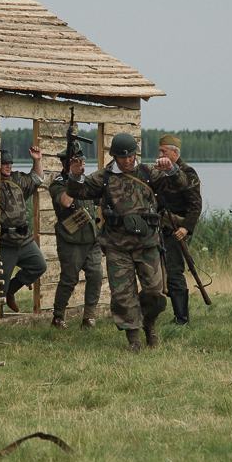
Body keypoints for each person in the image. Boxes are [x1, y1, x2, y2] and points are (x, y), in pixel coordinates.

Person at [66, 132, 188, 352]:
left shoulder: (149, 173)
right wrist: (75, 176)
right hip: (116, 246)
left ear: (135, 154)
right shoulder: (103, 177)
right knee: (123, 294)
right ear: (114, 156)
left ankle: (149, 324)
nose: (126, 160)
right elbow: (78, 192)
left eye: (130, 156)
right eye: (122, 157)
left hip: (148, 243)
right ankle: (134, 340)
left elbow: (180, 186)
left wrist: (171, 169)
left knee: (155, 292)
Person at [48, 143, 103, 329]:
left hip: (91, 237)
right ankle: (58, 316)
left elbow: (99, 198)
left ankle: (89, 316)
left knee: (96, 275)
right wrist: (74, 178)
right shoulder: (57, 183)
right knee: (69, 278)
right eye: (77, 163)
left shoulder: (86, 180)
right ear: (67, 164)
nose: (83, 166)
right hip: (71, 239)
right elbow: (64, 202)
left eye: (82, 163)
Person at [155, 134, 203, 326]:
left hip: (177, 230)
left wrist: (186, 228)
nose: (159, 155)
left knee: (174, 271)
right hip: (160, 228)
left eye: (163, 151)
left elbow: (195, 205)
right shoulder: (160, 171)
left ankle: (181, 318)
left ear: (175, 152)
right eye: (159, 151)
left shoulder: (188, 173)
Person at [0, 146, 48, 313]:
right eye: (4, 163)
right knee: (0, 283)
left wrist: (37, 160)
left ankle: (11, 290)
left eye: (10, 163)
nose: (8, 166)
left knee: (39, 265)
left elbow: (37, 179)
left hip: (24, 238)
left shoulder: (16, 179)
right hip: (5, 242)